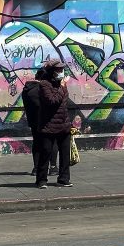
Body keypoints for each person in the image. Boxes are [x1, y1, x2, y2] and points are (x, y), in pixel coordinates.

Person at [25, 58, 73, 188]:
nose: (61, 72)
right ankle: (41, 179)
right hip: (49, 125)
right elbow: (52, 101)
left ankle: (64, 179)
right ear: (52, 71)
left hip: (64, 124)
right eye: (58, 70)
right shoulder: (44, 85)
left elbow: (64, 102)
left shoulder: (62, 85)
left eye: (62, 69)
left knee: (64, 153)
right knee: (45, 151)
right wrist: (62, 88)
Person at [23, 68, 58, 176]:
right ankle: (52, 166)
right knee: (52, 142)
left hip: (33, 121)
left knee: (37, 143)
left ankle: (36, 167)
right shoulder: (42, 89)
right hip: (47, 120)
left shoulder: (27, 89)